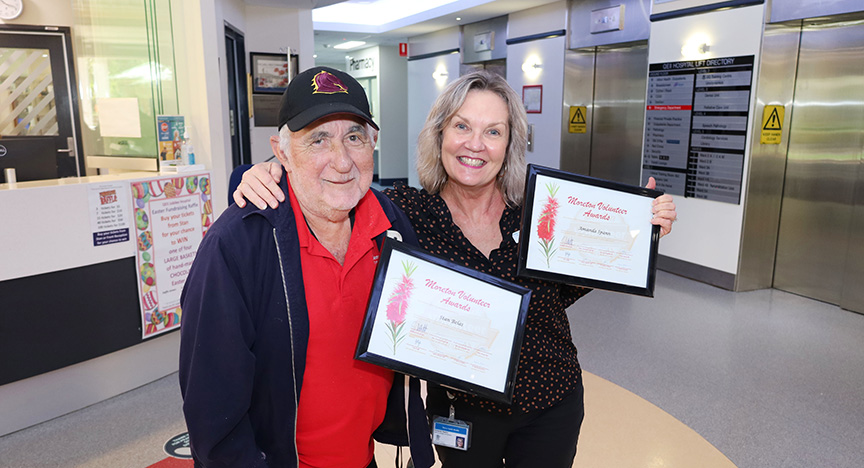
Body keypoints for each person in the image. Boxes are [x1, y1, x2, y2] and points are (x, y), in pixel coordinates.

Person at [234, 70, 677, 468]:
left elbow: (563, 290)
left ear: (510, 143)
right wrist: (266, 171)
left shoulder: (540, 213)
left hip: (551, 401)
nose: (475, 144)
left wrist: (638, 230)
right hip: (461, 414)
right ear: (440, 134)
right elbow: (332, 189)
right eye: (462, 126)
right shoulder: (404, 213)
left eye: (494, 132)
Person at [179, 66, 434, 468]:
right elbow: (213, 412)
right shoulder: (236, 246)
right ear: (281, 153)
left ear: (374, 144)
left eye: (354, 137)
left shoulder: (391, 226)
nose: (342, 161)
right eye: (318, 139)